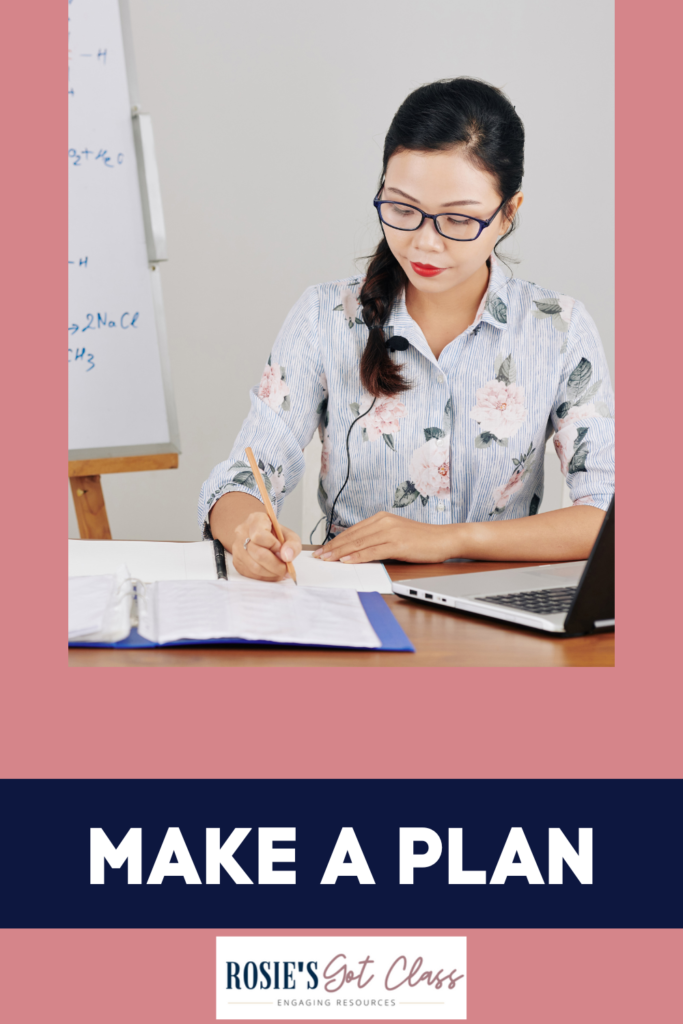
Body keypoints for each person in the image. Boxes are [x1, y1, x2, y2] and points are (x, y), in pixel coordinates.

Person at [199, 77, 614, 582]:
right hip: (353, 597)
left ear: (508, 214)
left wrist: (447, 542)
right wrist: (246, 530)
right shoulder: (327, 316)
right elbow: (246, 475)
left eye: (458, 220)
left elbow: (609, 514)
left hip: (497, 606)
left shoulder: (559, 328)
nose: (423, 243)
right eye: (401, 209)